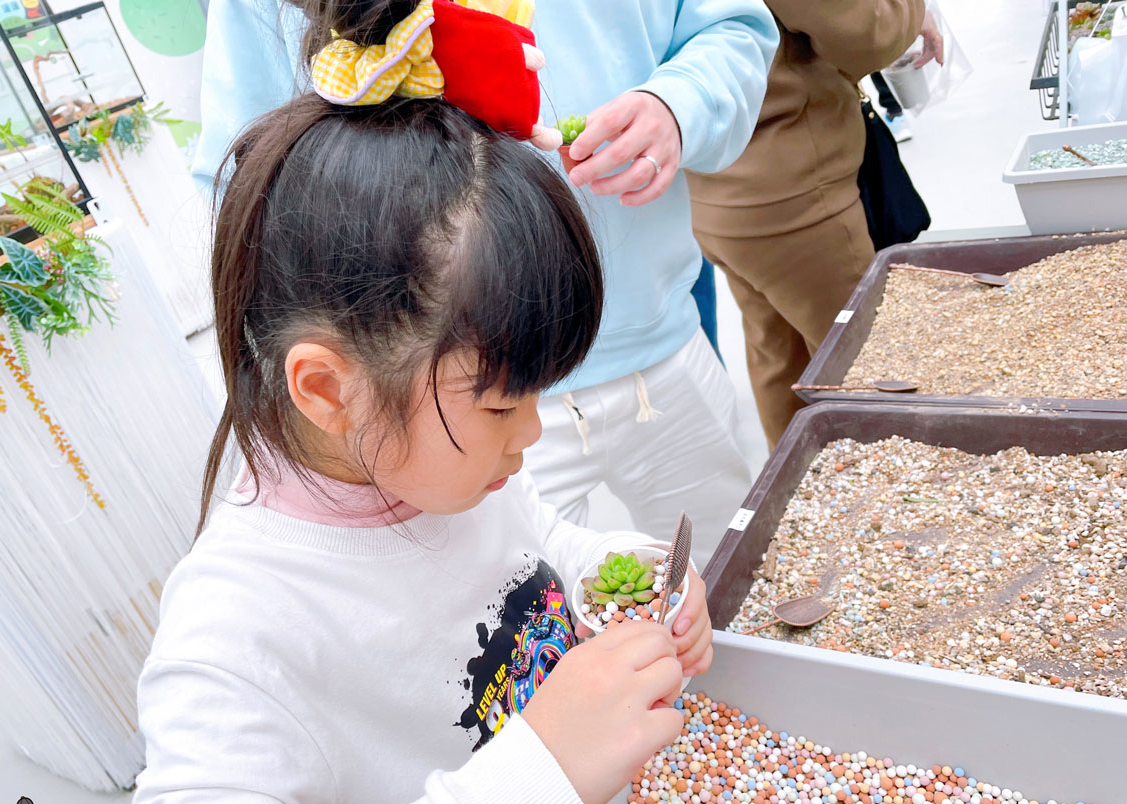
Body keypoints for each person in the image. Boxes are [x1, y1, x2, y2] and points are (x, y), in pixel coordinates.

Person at [124, 16, 714, 804]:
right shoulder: (236, 631)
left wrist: (628, 576)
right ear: (328, 390)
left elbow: (536, 551)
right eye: (502, 404)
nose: (532, 436)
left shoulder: (444, 472)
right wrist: (539, 775)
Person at [192, 0, 779, 564]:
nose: (527, 429)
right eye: (509, 412)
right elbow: (245, 174)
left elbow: (734, 25)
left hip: (659, 338)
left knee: (728, 573)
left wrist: (679, 105)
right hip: (441, 392)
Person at [687, 2, 941, 449]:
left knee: (782, 363)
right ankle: (888, 500)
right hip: (795, 192)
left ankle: (805, 501)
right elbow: (865, 31)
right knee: (870, 372)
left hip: (719, 186)